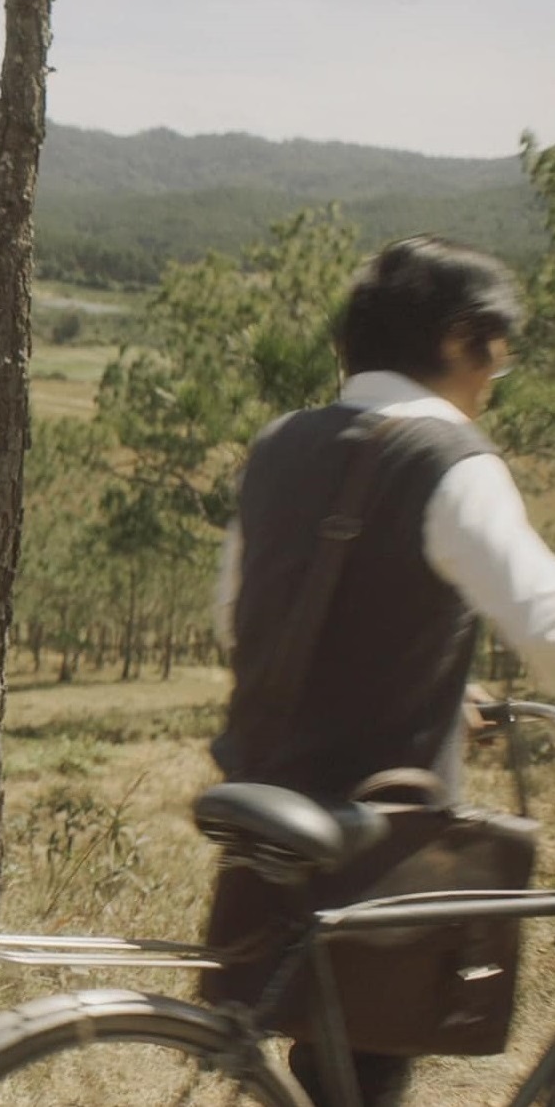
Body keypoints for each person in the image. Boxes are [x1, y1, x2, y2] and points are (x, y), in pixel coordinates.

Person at [208, 234, 555, 1107]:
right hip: (383, 839)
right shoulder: (449, 462)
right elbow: (543, 623)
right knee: (368, 1050)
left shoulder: (279, 444)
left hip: (271, 796)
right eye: (495, 359)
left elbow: (236, 617)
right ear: (457, 340)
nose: (490, 381)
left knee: (333, 1056)